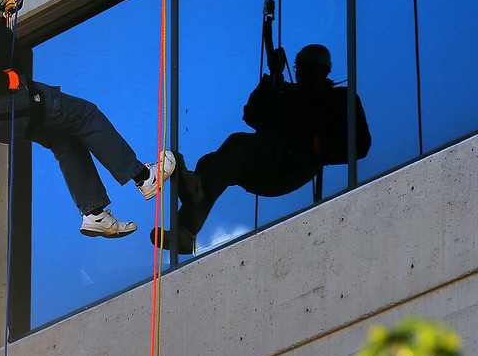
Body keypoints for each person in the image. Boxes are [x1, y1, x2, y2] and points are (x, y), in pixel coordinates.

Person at [0, 0, 175, 238]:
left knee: (64, 140)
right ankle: (143, 177)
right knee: (85, 114)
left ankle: (94, 213)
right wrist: (4, 81)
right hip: (1, 101)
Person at [156, 43, 371, 253]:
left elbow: (361, 145)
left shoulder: (339, 99)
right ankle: (185, 231)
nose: (301, 74)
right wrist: (270, 81)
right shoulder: (287, 93)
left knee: (237, 145)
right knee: (211, 164)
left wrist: (316, 145)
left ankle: (196, 193)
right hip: (270, 164)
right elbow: (252, 115)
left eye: (308, 68)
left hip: (291, 165)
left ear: (323, 71)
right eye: (300, 68)